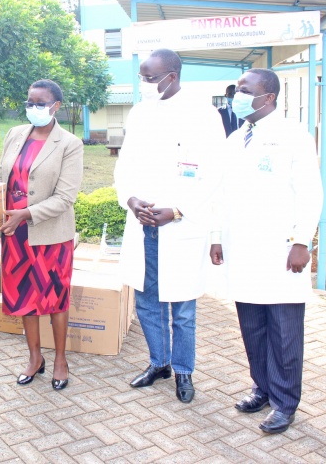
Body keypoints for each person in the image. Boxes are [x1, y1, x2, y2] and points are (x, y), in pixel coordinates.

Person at [210, 68, 322, 434]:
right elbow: (221, 194)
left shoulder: (293, 136)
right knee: (252, 328)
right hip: (242, 251)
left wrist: (302, 241)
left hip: (280, 251)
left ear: (269, 96)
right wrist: (216, 237)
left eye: (244, 90)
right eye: (236, 89)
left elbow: (310, 192)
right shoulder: (235, 138)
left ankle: (285, 402)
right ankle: (262, 387)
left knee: (284, 331)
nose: (236, 95)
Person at [115, 49, 223, 403]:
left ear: (171, 77)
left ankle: (184, 371)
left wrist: (177, 210)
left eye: (149, 78)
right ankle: (158, 362)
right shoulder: (139, 111)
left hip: (180, 224)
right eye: (142, 77)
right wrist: (130, 199)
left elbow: (213, 174)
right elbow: (124, 165)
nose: (143, 84)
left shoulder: (203, 114)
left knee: (182, 307)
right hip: (143, 222)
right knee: (146, 300)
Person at [0, 79, 83, 390]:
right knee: (23, 298)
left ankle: (60, 359)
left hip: (50, 236)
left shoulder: (69, 143)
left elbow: (65, 197)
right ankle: (35, 357)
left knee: (55, 299)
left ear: (56, 106)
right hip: (15, 236)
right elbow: (0, 178)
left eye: (41, 103)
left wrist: (26, 214)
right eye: (30, 102)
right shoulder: (14, 134)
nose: (34, 108)